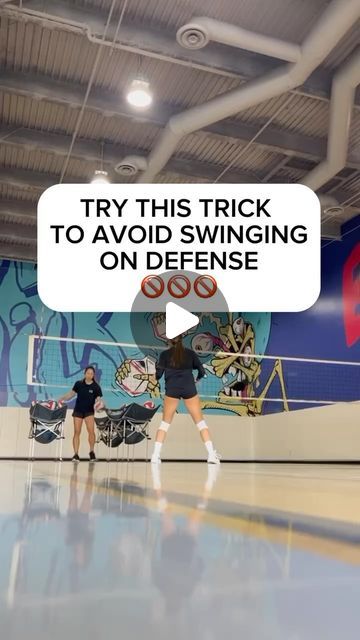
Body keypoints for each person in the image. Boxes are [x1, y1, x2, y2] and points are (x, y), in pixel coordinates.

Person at [150, 336, 220, 465]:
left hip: (172, 389)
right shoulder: (190, 353)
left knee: (164, 424)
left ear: (169, 341)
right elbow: (202, 371)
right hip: (189, 388)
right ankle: (211, 455)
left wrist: (155, 372)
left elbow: (158, 376)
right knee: (201, 424)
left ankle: (155, 456)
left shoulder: (164, 355)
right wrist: (197, 379)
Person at [58, 366, 103, 462]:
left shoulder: (96, 387)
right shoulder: (78, 384)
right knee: (77, 432)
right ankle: (76, 454)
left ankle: (91, 452)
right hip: (78, 410)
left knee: (91, 431)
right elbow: (71, 394)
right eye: (88, 373)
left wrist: (100, 404)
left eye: (92, 373)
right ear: (85, 373)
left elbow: (98, 399)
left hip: (89, 411)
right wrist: (62, 398)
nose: (90, 375)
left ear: (93, 375)